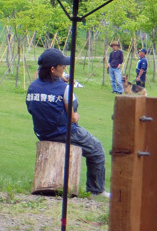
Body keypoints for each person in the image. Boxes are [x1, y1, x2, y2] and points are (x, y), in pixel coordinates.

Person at [26, 48, 108, 197]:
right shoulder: (65, 89)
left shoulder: (32, 87)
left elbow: (32, 109)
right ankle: (96, 190)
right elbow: (72, 117)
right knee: (97, 151)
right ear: (53, 69)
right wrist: (76, 116)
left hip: (42, 133)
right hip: (64, 133)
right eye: (62, 66)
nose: (64, 68)